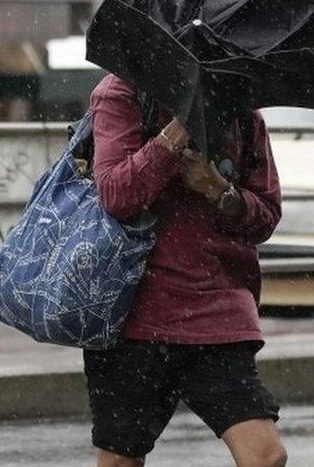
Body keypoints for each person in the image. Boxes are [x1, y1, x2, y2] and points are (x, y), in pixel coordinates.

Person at [85, 74, 286, 467]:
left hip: (217, 312)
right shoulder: (121, 93)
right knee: (120, 461)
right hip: (134, 314)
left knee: (265, 456)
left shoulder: (241, 106)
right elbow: (117, 195)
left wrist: (219, 190)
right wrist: (175, 134)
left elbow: (266, 217)